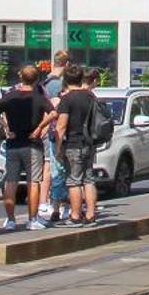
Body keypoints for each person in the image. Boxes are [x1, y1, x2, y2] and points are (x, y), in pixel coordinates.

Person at [0, 65, 53, 231]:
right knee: (33, 182)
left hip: (13, 144)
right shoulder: (38, 97)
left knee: (11, 181)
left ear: (21, 77)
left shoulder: (10, 96)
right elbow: (53, 113)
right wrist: (40, 128)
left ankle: (10, 220)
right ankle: (32, 219)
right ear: (36, 79)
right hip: (32, 144)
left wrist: (6, 126)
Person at [52, 65, 99, 226]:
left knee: (74, 181)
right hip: (89, 143)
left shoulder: (67, 99)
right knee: (89, 179)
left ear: (65, 80)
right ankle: (91, 214)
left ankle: (75, 216)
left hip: (73, 144)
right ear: (81, 79)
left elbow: (61, 126)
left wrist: (58, 148)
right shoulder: (91, 96)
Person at [40, 51, 71, 223]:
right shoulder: (59, 84)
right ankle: (59, 205)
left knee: (48, 166)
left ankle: (45, 202)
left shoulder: (45, 81)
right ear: (66, 64)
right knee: (58, 169)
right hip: (57, 130)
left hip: (46, 128)